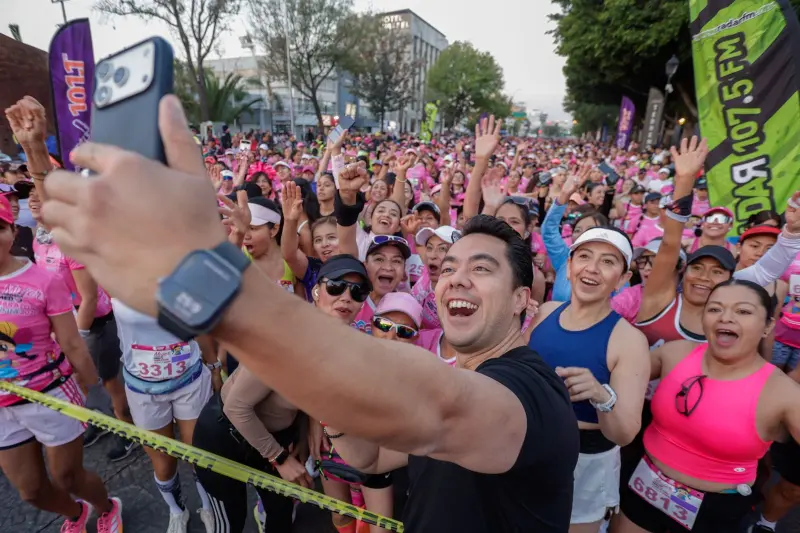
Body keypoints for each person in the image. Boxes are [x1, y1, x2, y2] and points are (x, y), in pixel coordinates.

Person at [38, 100, 580, 532]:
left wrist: (219, 284)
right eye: (450, 267)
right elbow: (370, 456)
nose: (456, 277)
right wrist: (341, 415)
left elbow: (441, 411)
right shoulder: (470, 371)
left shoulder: (533, 395)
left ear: (522, 301)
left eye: (481, 269)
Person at [615, 279, 800, 533]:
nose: (726, 317)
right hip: (643, 486)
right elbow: (614, 371)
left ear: (768, 326)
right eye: (715, 309)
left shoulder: (783, 393)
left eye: (743, 311)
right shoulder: (674, 353)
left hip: (715, 511)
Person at [0, 194, 123, 532]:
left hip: (50, 391)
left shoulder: (42, 279)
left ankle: (106, 507)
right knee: (31, 491)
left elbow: (71, 341)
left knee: (68, 476)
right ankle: (75, 514)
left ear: (12, 230)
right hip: (2, 407)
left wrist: (89, 388)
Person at [528, 226, 650, 533]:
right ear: (568, 267)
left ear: (623, 280)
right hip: (527, 444)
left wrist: (601, 396)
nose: (592, 268)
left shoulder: (629, 340)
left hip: (585, 464)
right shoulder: (545, 312)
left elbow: (624, 435)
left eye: (608, 262)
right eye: (584, 256)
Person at [112, 297, 219, 533]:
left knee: (199, 456)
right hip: (142, 388)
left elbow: (199, 323)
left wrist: (214, 365)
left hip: (189, 379)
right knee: (163, 463)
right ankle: (177, 511)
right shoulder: (113, 271)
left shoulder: (182, 268)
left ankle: (207, 507)